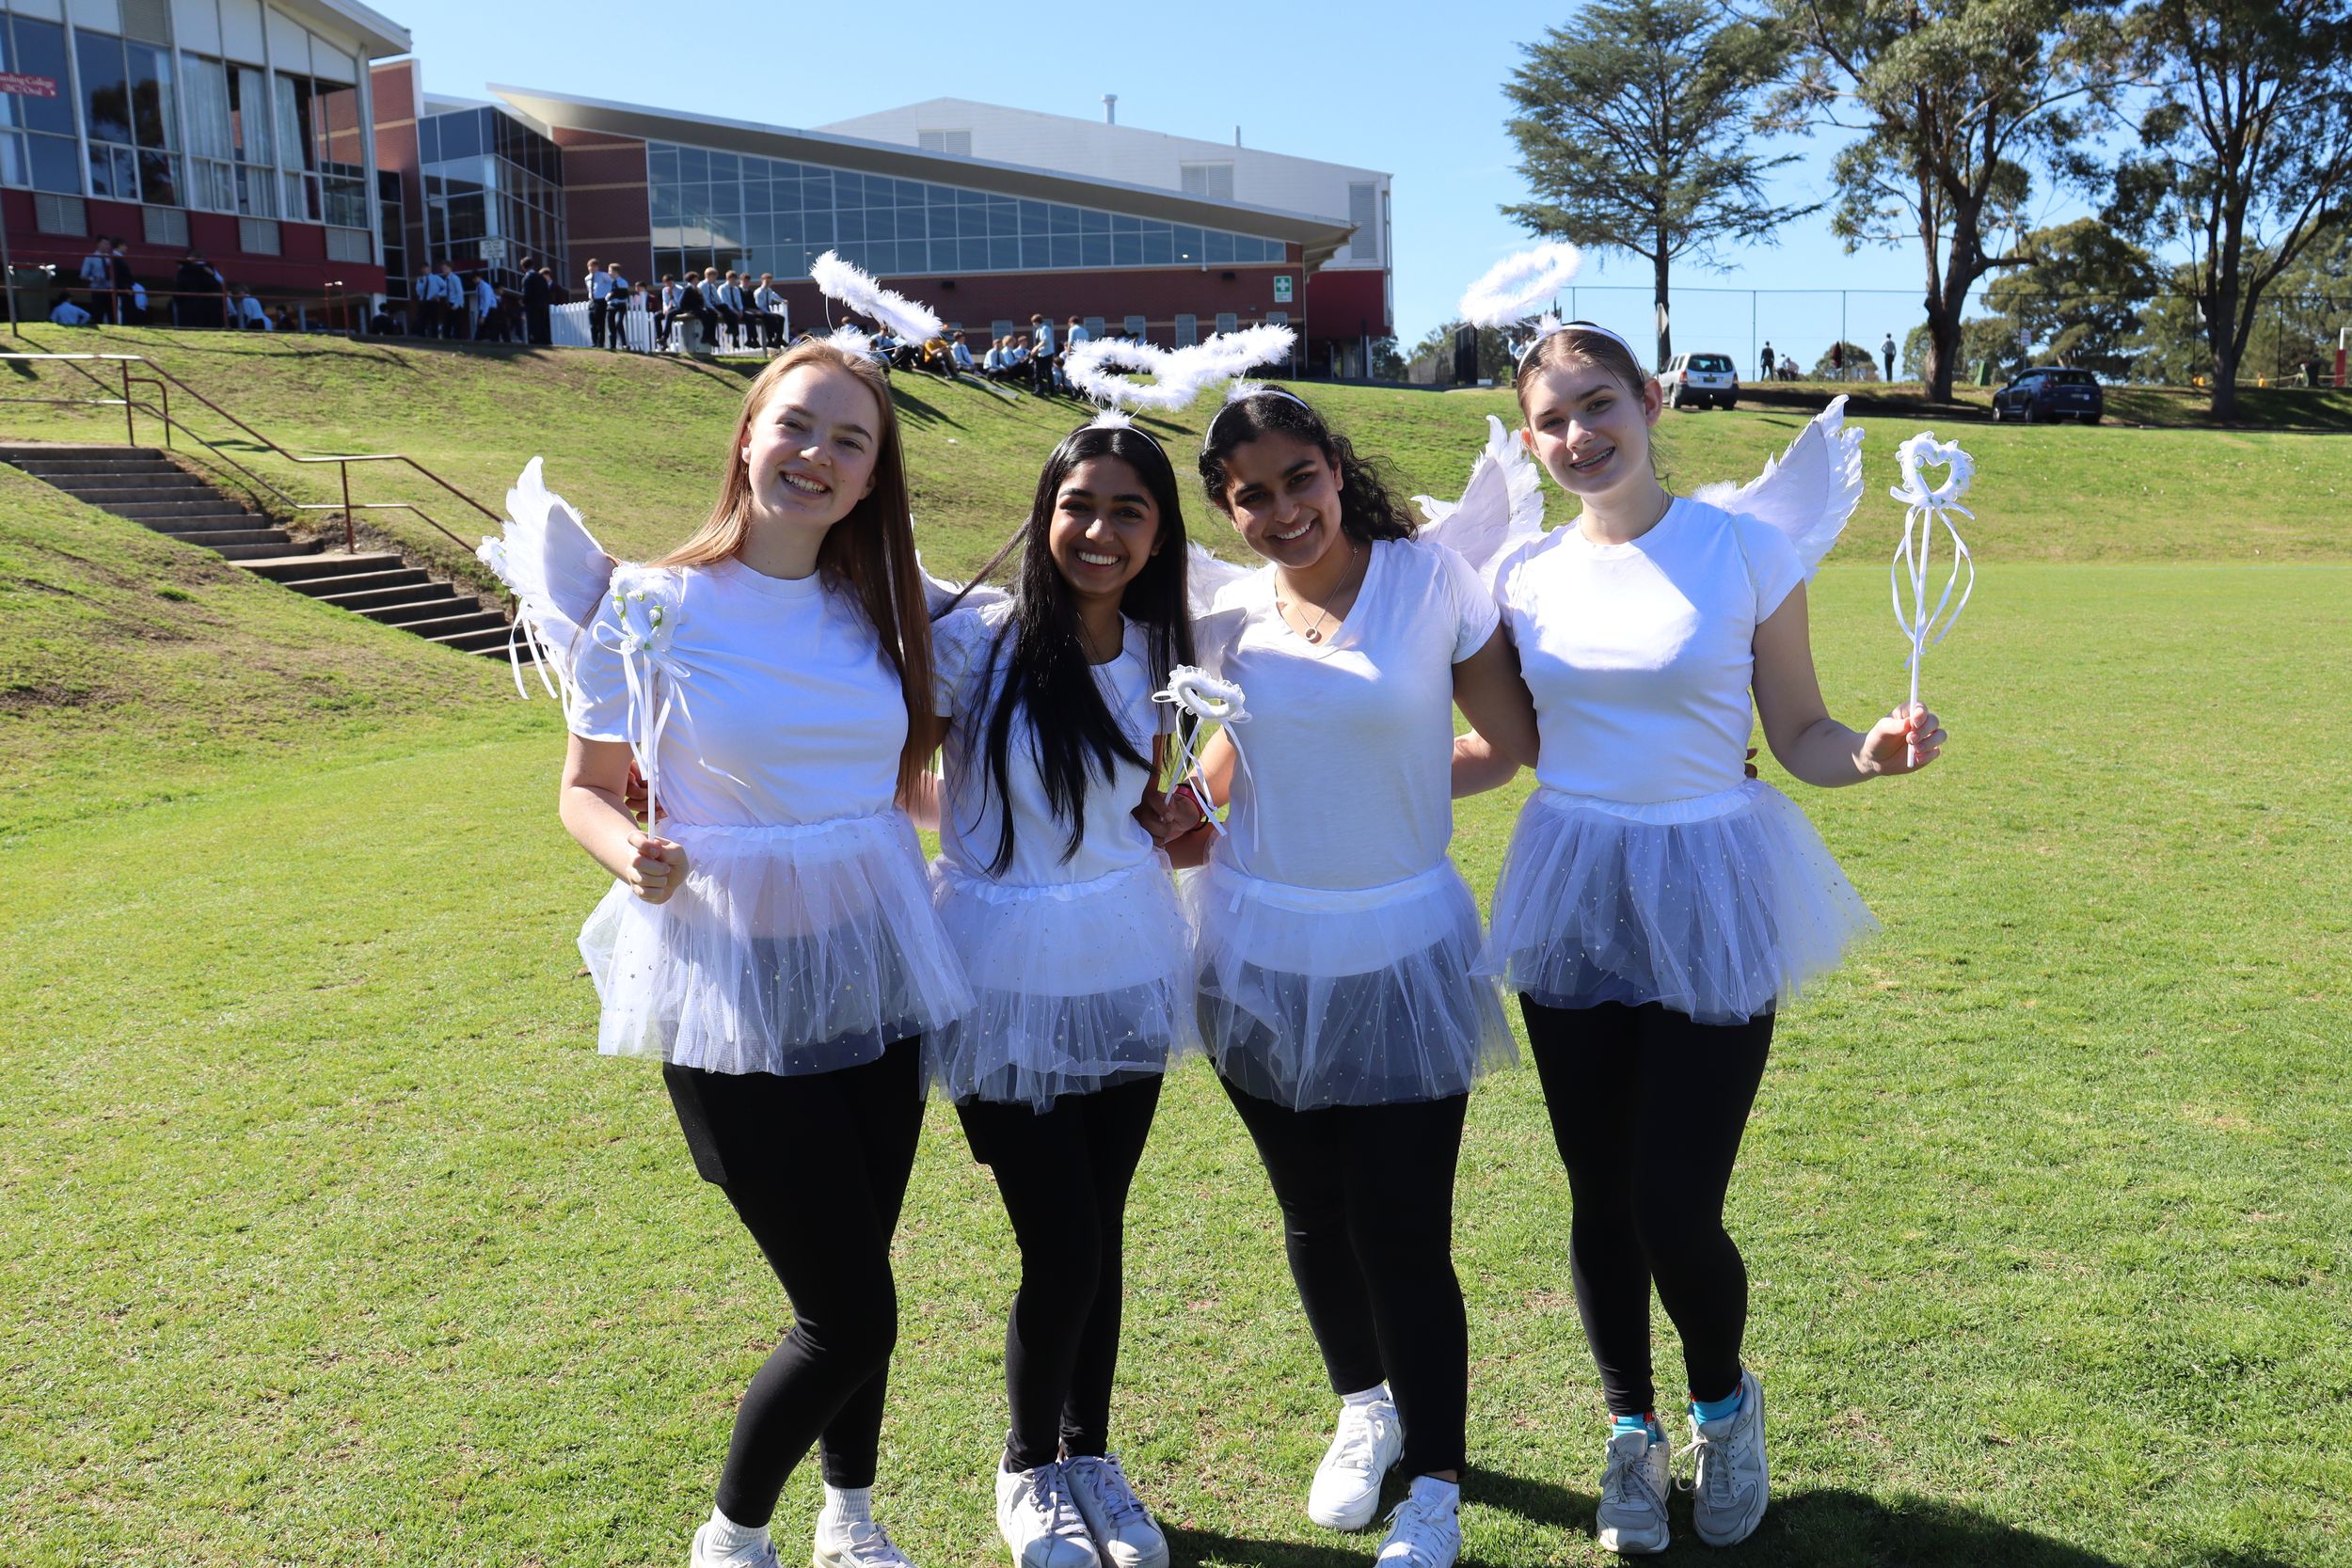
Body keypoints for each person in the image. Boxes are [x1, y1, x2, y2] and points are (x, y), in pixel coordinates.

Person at [1452, 323, 1944, 1556]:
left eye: (1598, 403)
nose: (1579, 434)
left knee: (1675, 1199)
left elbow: (1803, 732)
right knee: (1598, 1194)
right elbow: (1508, 739)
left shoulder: (1743, 549)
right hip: (1574, 881)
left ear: (1651, 401)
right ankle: (1631, 1429)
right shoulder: (1522, 574)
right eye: (1552, 419)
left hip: (1713, 878)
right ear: (1531, 439)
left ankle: (1724, 1405)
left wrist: (1870, 755)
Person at [554, 340, 968, 1568]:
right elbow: (584, 787)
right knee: (848, 1311)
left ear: (873, 475)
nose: (816, 455)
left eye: (850, 441)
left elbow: (899, 783)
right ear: (747, 435)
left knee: (861, 1279)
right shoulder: (652, 602)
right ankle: (731, 1537)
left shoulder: (881, 606)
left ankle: (851, 1516)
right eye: (796, 425)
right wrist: (631, 853)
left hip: (875, 967)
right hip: (730, 985)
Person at [1156, 387, 1541, 1568]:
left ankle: (1436, 1484)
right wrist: (1197, 800)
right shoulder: (1226, 612)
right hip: (1254, 954)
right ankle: (1363, 1406)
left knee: (1404, 1230)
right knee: (1313, 1214)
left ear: (1336, 466)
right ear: (1226, 509)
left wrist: (1399, 783)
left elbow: (1507, 744)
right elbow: (1235, 743)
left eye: (1299, 479)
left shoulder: (1429, 580)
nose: (1283, 511)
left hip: (1400, 953)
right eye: (1251, 496)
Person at [926, 414, 1197, 1568]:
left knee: (1101, 1226)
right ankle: (1027, 1465)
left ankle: (1091, 1454)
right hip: (998, 972)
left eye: (1129, 510)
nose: (1099, 530)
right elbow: (878, 762)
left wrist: (1172, 815)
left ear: (1159, 533)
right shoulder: (972, 641)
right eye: (1079, 504)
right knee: (1064, 1241)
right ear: (1043, 512)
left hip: (1125, 960)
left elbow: (1157, 799)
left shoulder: (1162, 648)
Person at [79, 237, 116, 325]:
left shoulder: (110, 258)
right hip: (97, 289)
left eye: (108, 244)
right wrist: (94, 278)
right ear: (98, 244)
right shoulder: (90, 258)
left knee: (112, 313)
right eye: (105, 244)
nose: (107, 246)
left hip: (110, 288)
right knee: (98, 312)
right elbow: (83, 275)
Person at [755, 274, 789, 349]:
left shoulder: (769, 291)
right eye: (766, 282)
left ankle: (779, 338)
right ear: (762, 281)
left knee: (781, 318)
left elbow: (774, 296)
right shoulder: (758, 292)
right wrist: (769, 313)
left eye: (769, 282)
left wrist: (782, 300)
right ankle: (770, 340)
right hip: (759, 312)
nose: (768, 283)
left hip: (767, 312)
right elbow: (759, 306)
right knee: (772, 317)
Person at [521, 260, 552, 346]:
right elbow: (547, 292)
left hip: (532, 308)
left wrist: (523, 302)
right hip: (544, 306)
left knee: (534, 328)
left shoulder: (527, 278)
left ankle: (537, 343)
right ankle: (547, 342)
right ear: (532, 266)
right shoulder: (541, 277)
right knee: (544, 327)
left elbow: (526, 295)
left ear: (523, 267)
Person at [1028, 314, 1057, 396]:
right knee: (1038, 371)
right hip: (1041, 353)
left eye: (1033, 322)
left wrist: (1036, 348)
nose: (1033, 324)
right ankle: (1041, 390)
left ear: (1036, 322)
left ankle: (1050, 391)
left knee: (1047, 372)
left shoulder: (1045, 328)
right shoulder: (1038, 330)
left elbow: (1045, 341)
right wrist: (1036, 349)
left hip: (1047, 353)